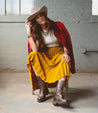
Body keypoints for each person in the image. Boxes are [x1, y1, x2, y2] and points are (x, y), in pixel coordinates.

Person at [25, 5, 76, 107]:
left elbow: (65, 42)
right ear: (35, 21)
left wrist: (65, 53)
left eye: (42, 15)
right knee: (33, 56)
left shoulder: (58, 25)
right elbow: (35, 49)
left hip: (58, 53)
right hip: (46, 55)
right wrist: (29, 32)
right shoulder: (37, 32)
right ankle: (43, 89)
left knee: (64, 60)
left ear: (45, 15)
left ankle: (58, 95)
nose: (41, 18)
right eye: (37, 17)